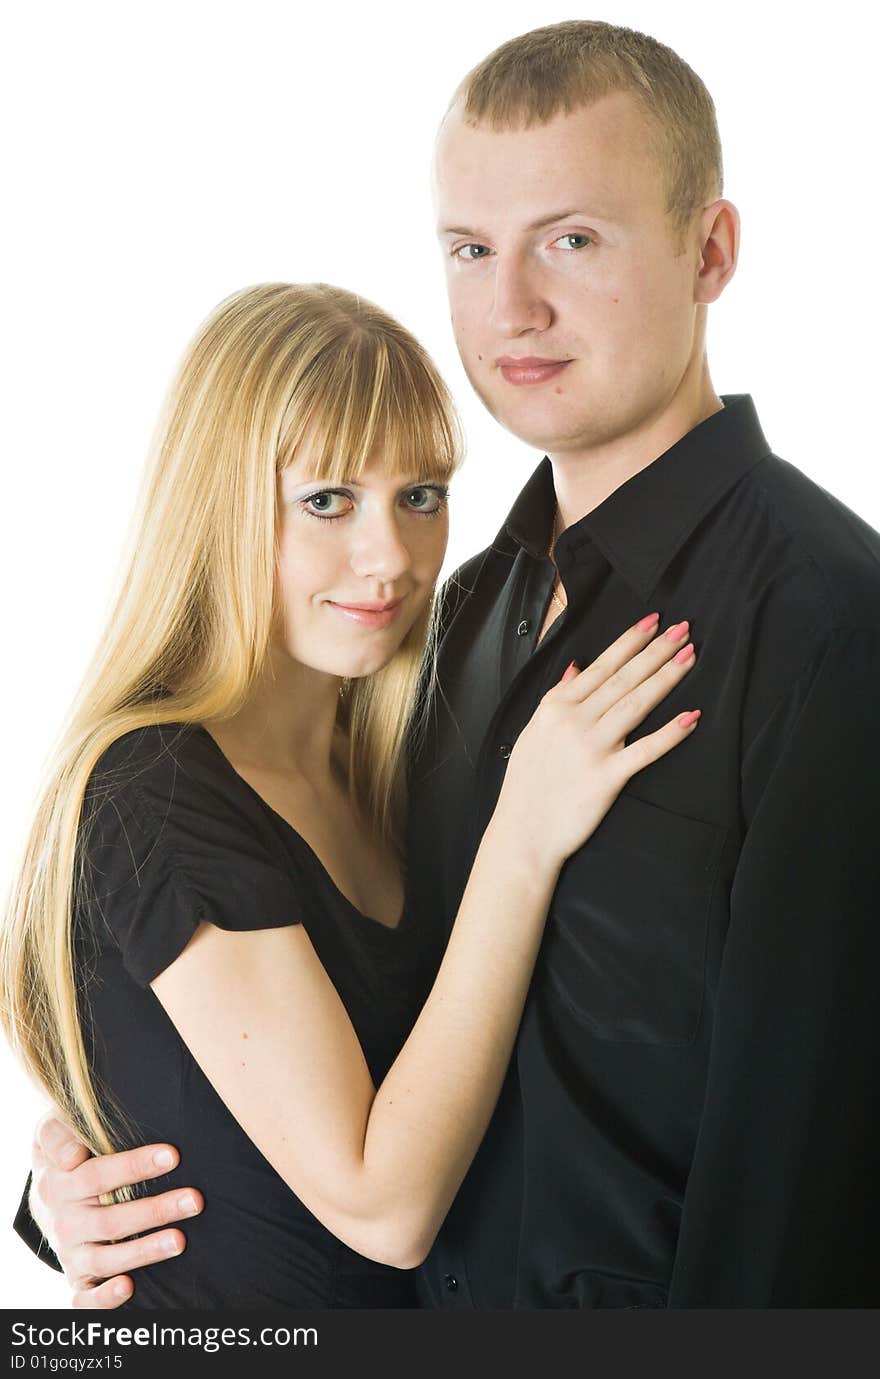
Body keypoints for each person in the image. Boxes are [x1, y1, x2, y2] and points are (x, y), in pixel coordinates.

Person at [19, 18, 880, 1309]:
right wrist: (75, 1189)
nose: (512, 305)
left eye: (572, 239)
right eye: (473, 250)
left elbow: (811, 1158)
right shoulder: (463, 623)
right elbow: (345, 1067)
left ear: (712, 251)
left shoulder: (827, 619)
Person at [0, 279, 699, 1308]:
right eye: (326, 499)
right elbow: (386, 1207)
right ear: (218, 506)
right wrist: (525, 835)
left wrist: (51, 1198)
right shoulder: (155, 791)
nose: (391, 559)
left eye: (420, 495)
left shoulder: (393, 761)